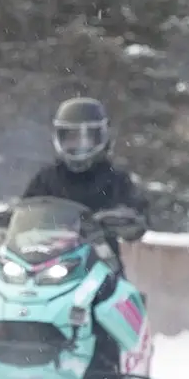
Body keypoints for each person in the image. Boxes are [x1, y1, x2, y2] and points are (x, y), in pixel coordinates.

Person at [20, 96, 150, 258]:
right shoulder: (46, 178)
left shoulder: (116, 179)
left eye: (86, 137)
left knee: (121, 285)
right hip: (49, 261)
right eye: (71, 138)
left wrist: (125, 220)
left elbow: (139, 216)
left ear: (101, 138)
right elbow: (25, 210)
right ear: (59, 138)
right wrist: (6, 217)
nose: (79, 144)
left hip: (100, 262)